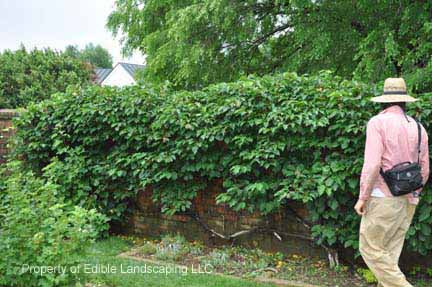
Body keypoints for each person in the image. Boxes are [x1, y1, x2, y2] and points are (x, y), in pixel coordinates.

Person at [354, 78, 429, 287]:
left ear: (383, 101)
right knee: (388, 255)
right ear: (404, 101)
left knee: (370, 248)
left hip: (382, 197)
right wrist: (414, 193)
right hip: (408, 200)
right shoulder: (418, 127)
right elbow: (425, 169)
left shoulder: (377, 123)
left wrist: (362, 197)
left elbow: (372, 164)